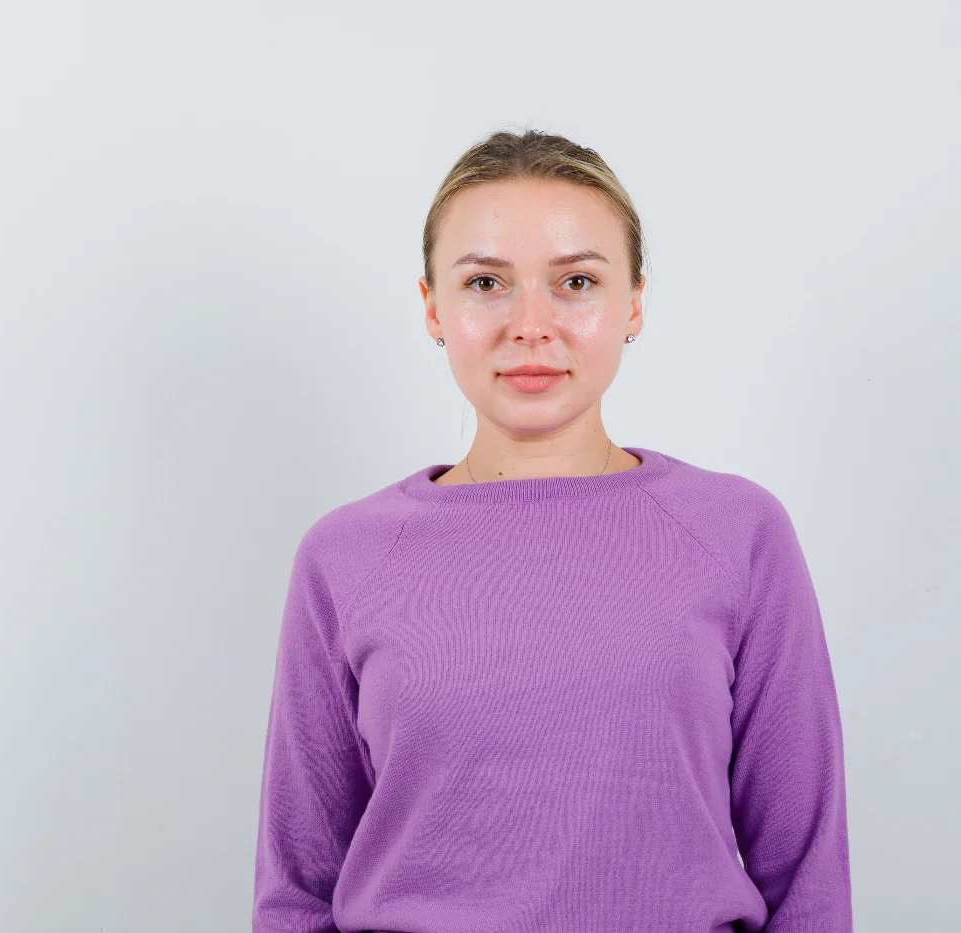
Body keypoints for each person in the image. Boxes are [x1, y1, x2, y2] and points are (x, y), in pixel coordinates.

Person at [251, 129, 851, 933]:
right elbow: (295, 891)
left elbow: (809, 881)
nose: (531, 325)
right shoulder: (345, 557)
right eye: (486, 282)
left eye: (575, 281)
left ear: (633, 302)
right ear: (432, 306)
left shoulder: (738, 533)